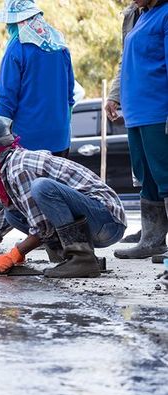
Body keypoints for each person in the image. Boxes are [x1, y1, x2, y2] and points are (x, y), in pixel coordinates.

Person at [0, 119, 126, 278]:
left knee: (42, 187)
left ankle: (81, 259)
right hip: (95, 224)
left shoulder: (19, 168)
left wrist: (14, 254)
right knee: (11, 214)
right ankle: (72, 257)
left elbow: (42, 227)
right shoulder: (7, 174)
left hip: (106, 220)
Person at [112, 0, 168, 261]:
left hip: (158, 111)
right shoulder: (139, 16)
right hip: (136, 113)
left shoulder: (165, 15)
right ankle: (152, 240)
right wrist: (115, 97)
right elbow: (126, 62)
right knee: (147, 178)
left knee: (165, 176)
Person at [0, 0, 75, 157]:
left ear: (18, 22)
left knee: (31, 183)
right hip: (60, 139)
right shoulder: (61, 47)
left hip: (26, 144)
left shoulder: (16, 49)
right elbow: (70, 96)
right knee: (54, 183)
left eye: (9, 23)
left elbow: (7, 100)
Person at [106, 1, 146, 244]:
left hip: (156, 104)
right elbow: (126, 59)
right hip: (138, 104)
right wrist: (115, 94)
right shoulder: (132, 14)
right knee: (143, 172)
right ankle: (153, 233)